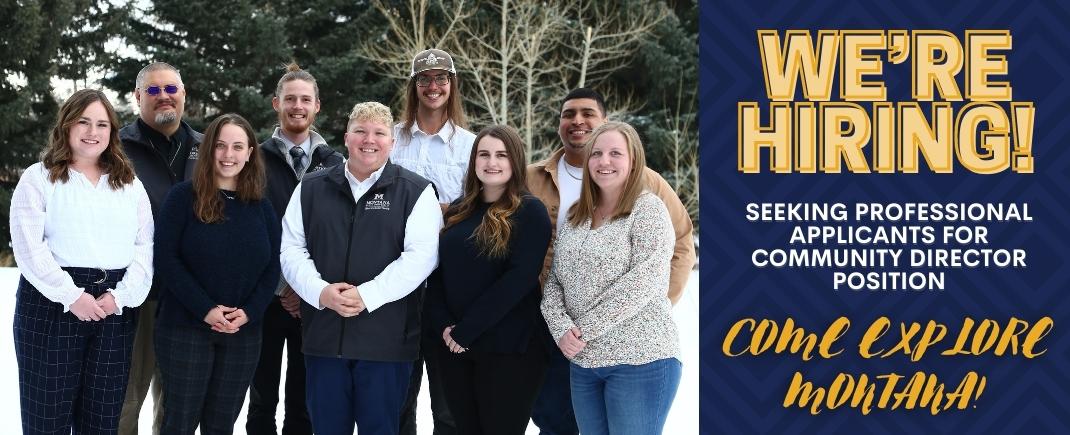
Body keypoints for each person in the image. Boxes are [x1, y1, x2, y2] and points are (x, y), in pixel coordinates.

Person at [526, 88, 696, 434]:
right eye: (598, 154)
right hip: (582, 359)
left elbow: (647, 277)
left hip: (638, 357)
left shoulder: (648, 206)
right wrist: (562, 328)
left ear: (633, 160)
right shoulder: (578, 215)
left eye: (615, 153)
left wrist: (584, 330)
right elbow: (555, 277)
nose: (605, 161)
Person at [280, 102, 442, 435]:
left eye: (379, 133)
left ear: (392, 142)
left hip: (385, 343)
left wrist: (367, 295)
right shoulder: (310, 188)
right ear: (346, 137)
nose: (369, 140)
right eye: (360, 131)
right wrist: (320, 292)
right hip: (324, 337)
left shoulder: (416, 191)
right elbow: (292, 248)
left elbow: (422, 257)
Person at [10, 88, 153, 434]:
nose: (93, 132)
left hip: (112, 307)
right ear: (66, 126)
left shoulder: (129, 184)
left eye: (102, 124)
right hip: (51, 305)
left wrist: (120, 297)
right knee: (48, 418)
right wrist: (71, 295)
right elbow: (30, 249)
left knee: (102, 420)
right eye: (84, 122)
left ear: (112, 132)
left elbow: (145, 247)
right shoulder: (39, 178)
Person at [153, 113, 280, 435]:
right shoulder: (183, 197)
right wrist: (206, 310)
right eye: (221, 146)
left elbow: (272, 268)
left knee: (221, 425)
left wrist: (249, 313)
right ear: (209, 149)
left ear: (251, 152)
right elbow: (166, 260)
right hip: (185, 329)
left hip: (242, 334)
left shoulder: (262, 208)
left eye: (238, 146)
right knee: (179, 422)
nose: (228, 154)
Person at [425, 125, 552, 435]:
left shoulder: (530, 211)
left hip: (509, 350)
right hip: (455, 348)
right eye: (484, 154)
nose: (491, 162)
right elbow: (437, 273)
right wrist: (445, 327)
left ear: (515, 161)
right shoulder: (458, 209)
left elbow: (519, 279)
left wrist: (467, 330)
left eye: (501, 155)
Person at [249, 62, 343, 435]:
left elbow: (337, 234)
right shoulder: (253, 159)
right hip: (267, 298)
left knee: (305, 399)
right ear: (276, 103)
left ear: (317, 105)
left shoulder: (336, 164)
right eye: (290, 99)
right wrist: (281, 286)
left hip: (315, 301)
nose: (297, 106)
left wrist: (308, 288)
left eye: (305, 99)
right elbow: (252, 229)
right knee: (261, 397)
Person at [392, 48, 475, 435]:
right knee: (398, 399)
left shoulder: (471, 145)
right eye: (424, 79)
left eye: (441, 78)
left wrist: (445, 211)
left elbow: (480, 206)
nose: (433, 86)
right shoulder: (391, 139)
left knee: (448, 404)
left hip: (450, 285)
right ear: (414, 86)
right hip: (398, 280)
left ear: (452, 84)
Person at [119, 61, 204, 435]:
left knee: (177, 405)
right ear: (138, 97)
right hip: (135, 295)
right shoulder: (116, 148)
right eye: (153, 91)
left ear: (184, 94)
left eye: (171, 88)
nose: (163, 96)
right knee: (126, 400)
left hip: (190, 297)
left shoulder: (207, 148)